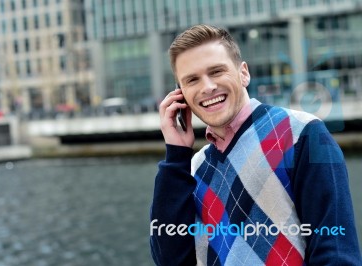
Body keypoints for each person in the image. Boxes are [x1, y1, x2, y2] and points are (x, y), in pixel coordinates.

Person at [150, 24, 361, 266]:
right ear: (181, 94)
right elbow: (170, 260)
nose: (207, 87)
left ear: (243, 74)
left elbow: (335, 252)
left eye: (217, 71)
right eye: (192, 80)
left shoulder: (305, 135)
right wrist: (176, 155)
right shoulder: (193, 167)